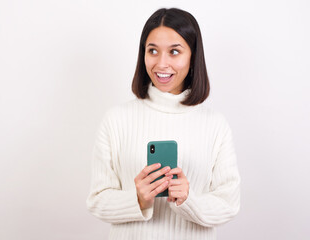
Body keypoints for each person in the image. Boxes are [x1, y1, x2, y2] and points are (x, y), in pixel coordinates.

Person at [86, 8, 240, 240]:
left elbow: (229, 204)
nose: (161, 63)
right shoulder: (116, 119)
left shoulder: (215, 125)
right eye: (153, 51)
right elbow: (97, 200)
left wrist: (190, 201)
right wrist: (137, 199)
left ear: (192, 56)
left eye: (175, 52)